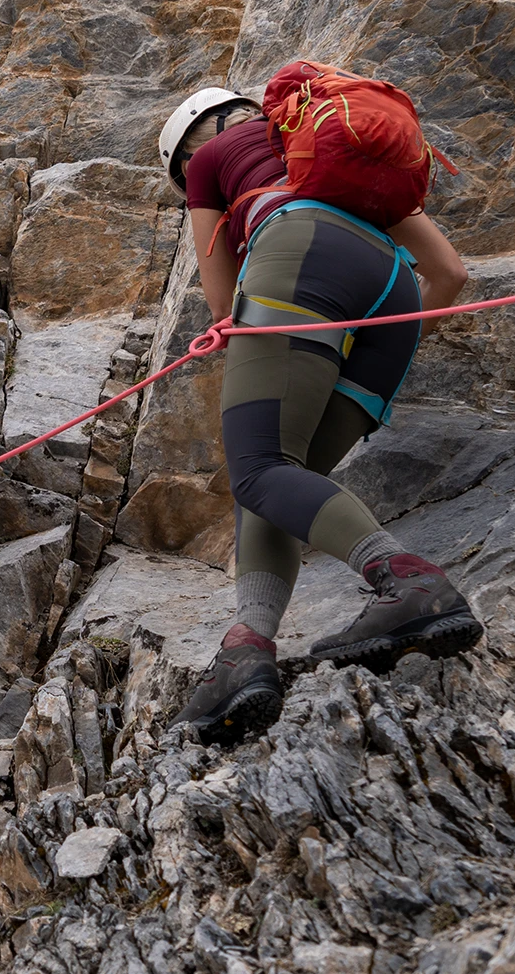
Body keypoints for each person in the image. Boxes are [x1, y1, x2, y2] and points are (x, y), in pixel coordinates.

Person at [157, 87, 481, 745]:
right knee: (282, 480)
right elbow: (447, 273)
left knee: (258, 468)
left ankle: (407, 581)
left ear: (188, 147)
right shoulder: (325, 151)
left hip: (297, 254)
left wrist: (289, 303)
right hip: (392, 294)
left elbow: (223, 306)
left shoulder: (208, 160)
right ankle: (247, 648)